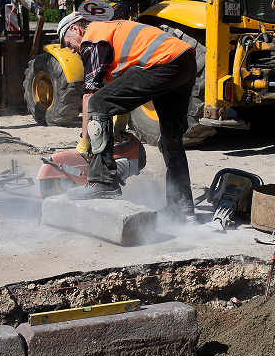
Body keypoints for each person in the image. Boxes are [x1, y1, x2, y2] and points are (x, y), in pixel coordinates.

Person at [57, 12, 198, 224]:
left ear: (76, 30)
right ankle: (182, 211)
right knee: (171, 139)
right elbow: (124, 88)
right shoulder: (113, 32)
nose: (71, 50)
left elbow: (91, 96)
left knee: (97, 103)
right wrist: (119, 125)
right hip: (184, 62)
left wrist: (84, 143)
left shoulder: (93, 37)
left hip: (161, 63)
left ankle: (102, 181)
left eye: (67, 43)